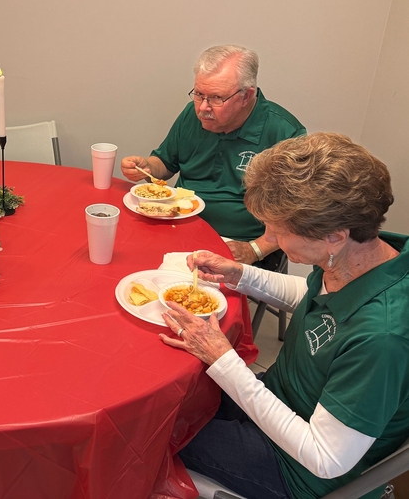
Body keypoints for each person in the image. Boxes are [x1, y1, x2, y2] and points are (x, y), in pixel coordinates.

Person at [158, 133, 409, 499]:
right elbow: (317, 298)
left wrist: (224, 360)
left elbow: (325, 458)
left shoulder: (383, 338)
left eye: (279, 231)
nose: (270, 238)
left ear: (334, 236)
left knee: (151, 436)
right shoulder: (362, 256)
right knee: (168, 405)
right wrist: (240, 275)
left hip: (298, 466)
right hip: (278, 396)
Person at [121, 45, 306, 268]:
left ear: (246, 96)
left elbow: (297, 213)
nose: (202, 108)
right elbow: (165, 164)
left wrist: (255, 249)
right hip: (178, 224)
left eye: (216, 98)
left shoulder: (285, 133)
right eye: (199, 94)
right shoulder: (192, 114)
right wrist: (148, 167)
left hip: (240, 243)